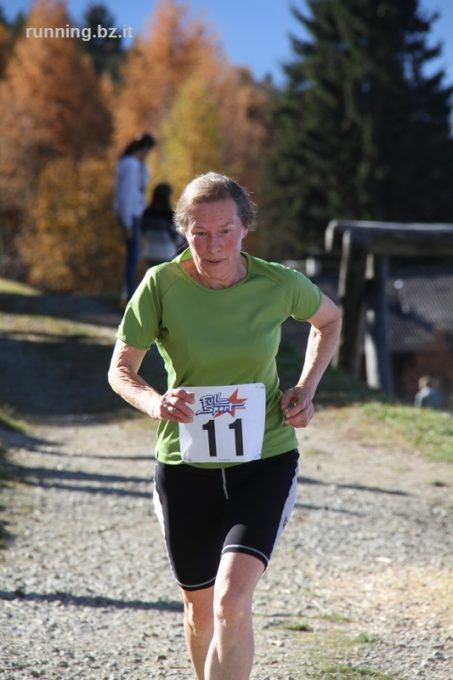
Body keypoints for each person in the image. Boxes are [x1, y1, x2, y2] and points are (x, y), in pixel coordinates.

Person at [108, 172, 341, 680]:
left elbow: (329, 319)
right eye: (199, 232)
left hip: (264, 461)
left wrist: (305, 387)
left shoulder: (277, 283)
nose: (212, 245)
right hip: (185, 467)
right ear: (183, 232)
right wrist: (154, 403)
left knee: (231, 602)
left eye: (225, 230)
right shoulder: (161, 286)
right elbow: (120, 370)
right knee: (199, 608)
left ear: (246, 228)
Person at [113, 132, 155, 302]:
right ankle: (129, 294)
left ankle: (128, 292)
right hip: (132, 216)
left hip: (133, 214)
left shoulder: (131, 164)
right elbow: (127, 195)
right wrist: (127, 223)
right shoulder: (130, 165)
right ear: (144, 149)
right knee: (134, 257)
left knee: (134, 256)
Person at [141, 182, 180, 268]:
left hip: (150, 253)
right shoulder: (169, 215)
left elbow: (142, 233)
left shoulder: (147, 213)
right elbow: (177, 238)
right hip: (167, 254)